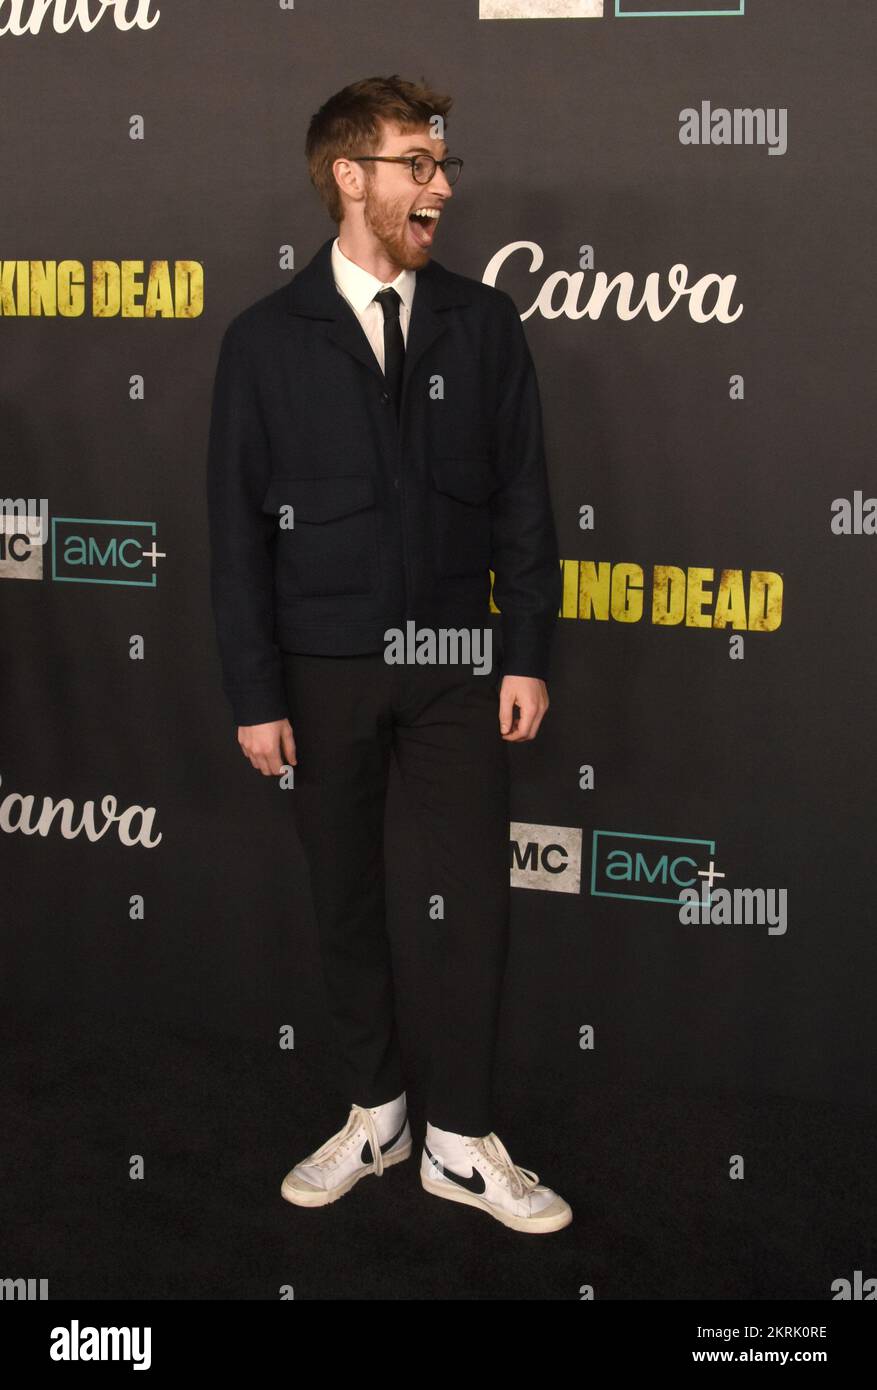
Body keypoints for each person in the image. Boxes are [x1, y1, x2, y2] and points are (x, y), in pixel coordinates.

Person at [206, 75, 571, 1234]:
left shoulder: (484, 322)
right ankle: (378, 1114)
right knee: (345, 897)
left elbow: (524, 501)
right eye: (417, 163)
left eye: (443, 164)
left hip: (461, 662)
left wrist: (525, 651)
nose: (441, 186)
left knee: (473, 900)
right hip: (319, 668)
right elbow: (234, 536)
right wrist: (255, 692)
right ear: (348, 177)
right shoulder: (262, 341)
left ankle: (459, 1139)